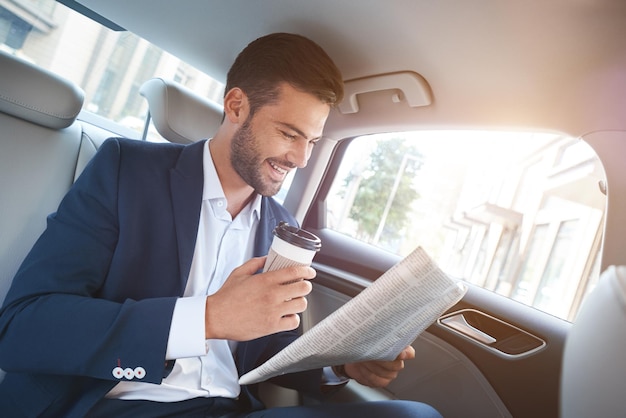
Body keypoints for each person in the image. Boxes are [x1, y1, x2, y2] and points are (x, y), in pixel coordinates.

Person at [0, 33, 441, 417]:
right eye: (289, 134)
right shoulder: (126, 171)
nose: (301, 158)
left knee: (416, 414)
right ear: (236, 105)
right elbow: (21, 327)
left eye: (311, 141)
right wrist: (205, 317)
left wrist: (343, 367)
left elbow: (267, 351)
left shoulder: (281, 227)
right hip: (116, 403)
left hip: (231, 409)